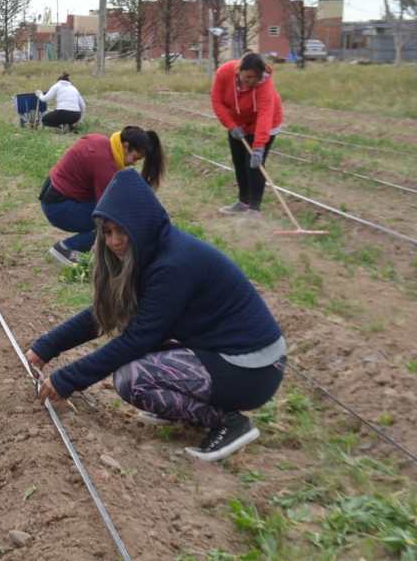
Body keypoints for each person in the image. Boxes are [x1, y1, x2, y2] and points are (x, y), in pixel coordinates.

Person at [27, 169, 286, 462]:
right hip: (228, 355)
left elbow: (138, 339)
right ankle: (180, 406)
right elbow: (105, 313)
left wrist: (67, 380)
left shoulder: (172, 265)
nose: (113, 241)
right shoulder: (152, 253)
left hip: (253, 369)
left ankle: (228, 422)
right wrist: (44, 347)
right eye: (107, 232)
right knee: (145, 361)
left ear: (141, 223)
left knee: (132, 377)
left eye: (121, 230)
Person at [40, 126, 164, 266]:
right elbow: (108, 211)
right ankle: (67, 248)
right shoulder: (105, 164)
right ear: (125, 146)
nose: (133, 163)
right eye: (135, 157)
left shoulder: (99, 140)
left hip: (52, 195)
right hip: (58, 208)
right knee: (112, 224)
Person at [210, 52, 284, 215]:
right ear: (239, 71)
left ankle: (254, 209)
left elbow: (265, 114)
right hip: (237, 123)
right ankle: (243, 203)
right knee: (239, 162)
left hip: (265, 123)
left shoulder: (265, 84)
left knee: (253, 164)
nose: (251, 81)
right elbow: (217, 101)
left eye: (255, 78)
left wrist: (259, 147)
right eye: (248, 77)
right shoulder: (224, 72)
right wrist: (231, 125)